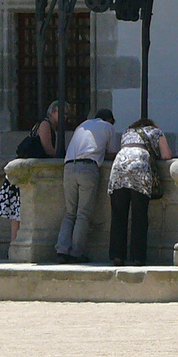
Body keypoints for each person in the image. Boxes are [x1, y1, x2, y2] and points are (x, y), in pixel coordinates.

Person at [107, 118, 172, 267]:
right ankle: (138, 257)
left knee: (118, 215)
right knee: (139, 215)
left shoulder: (127, 132)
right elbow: (166, 155)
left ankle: (118, 256)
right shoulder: (155, 132)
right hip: (139, 169)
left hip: (118, 169)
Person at [56, 108, 116, 263]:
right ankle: (76, 252)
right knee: (83, 213)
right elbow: (112, 152)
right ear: (109, 119)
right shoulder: (107, 127)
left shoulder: (82, 125)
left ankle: (62, 250)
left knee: (70, 212)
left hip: (69, 167)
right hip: (88, 167)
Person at [0, 99, 61, 243]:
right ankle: (15, 243)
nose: (66, 117)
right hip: (25, 172)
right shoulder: (45, 124)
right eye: (64, 113)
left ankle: (14, 243)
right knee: (18, 211)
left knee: (18, 211)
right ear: (54, 111)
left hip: (24, 171)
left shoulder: (46, 124)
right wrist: (60, 154)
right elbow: (48, 148)